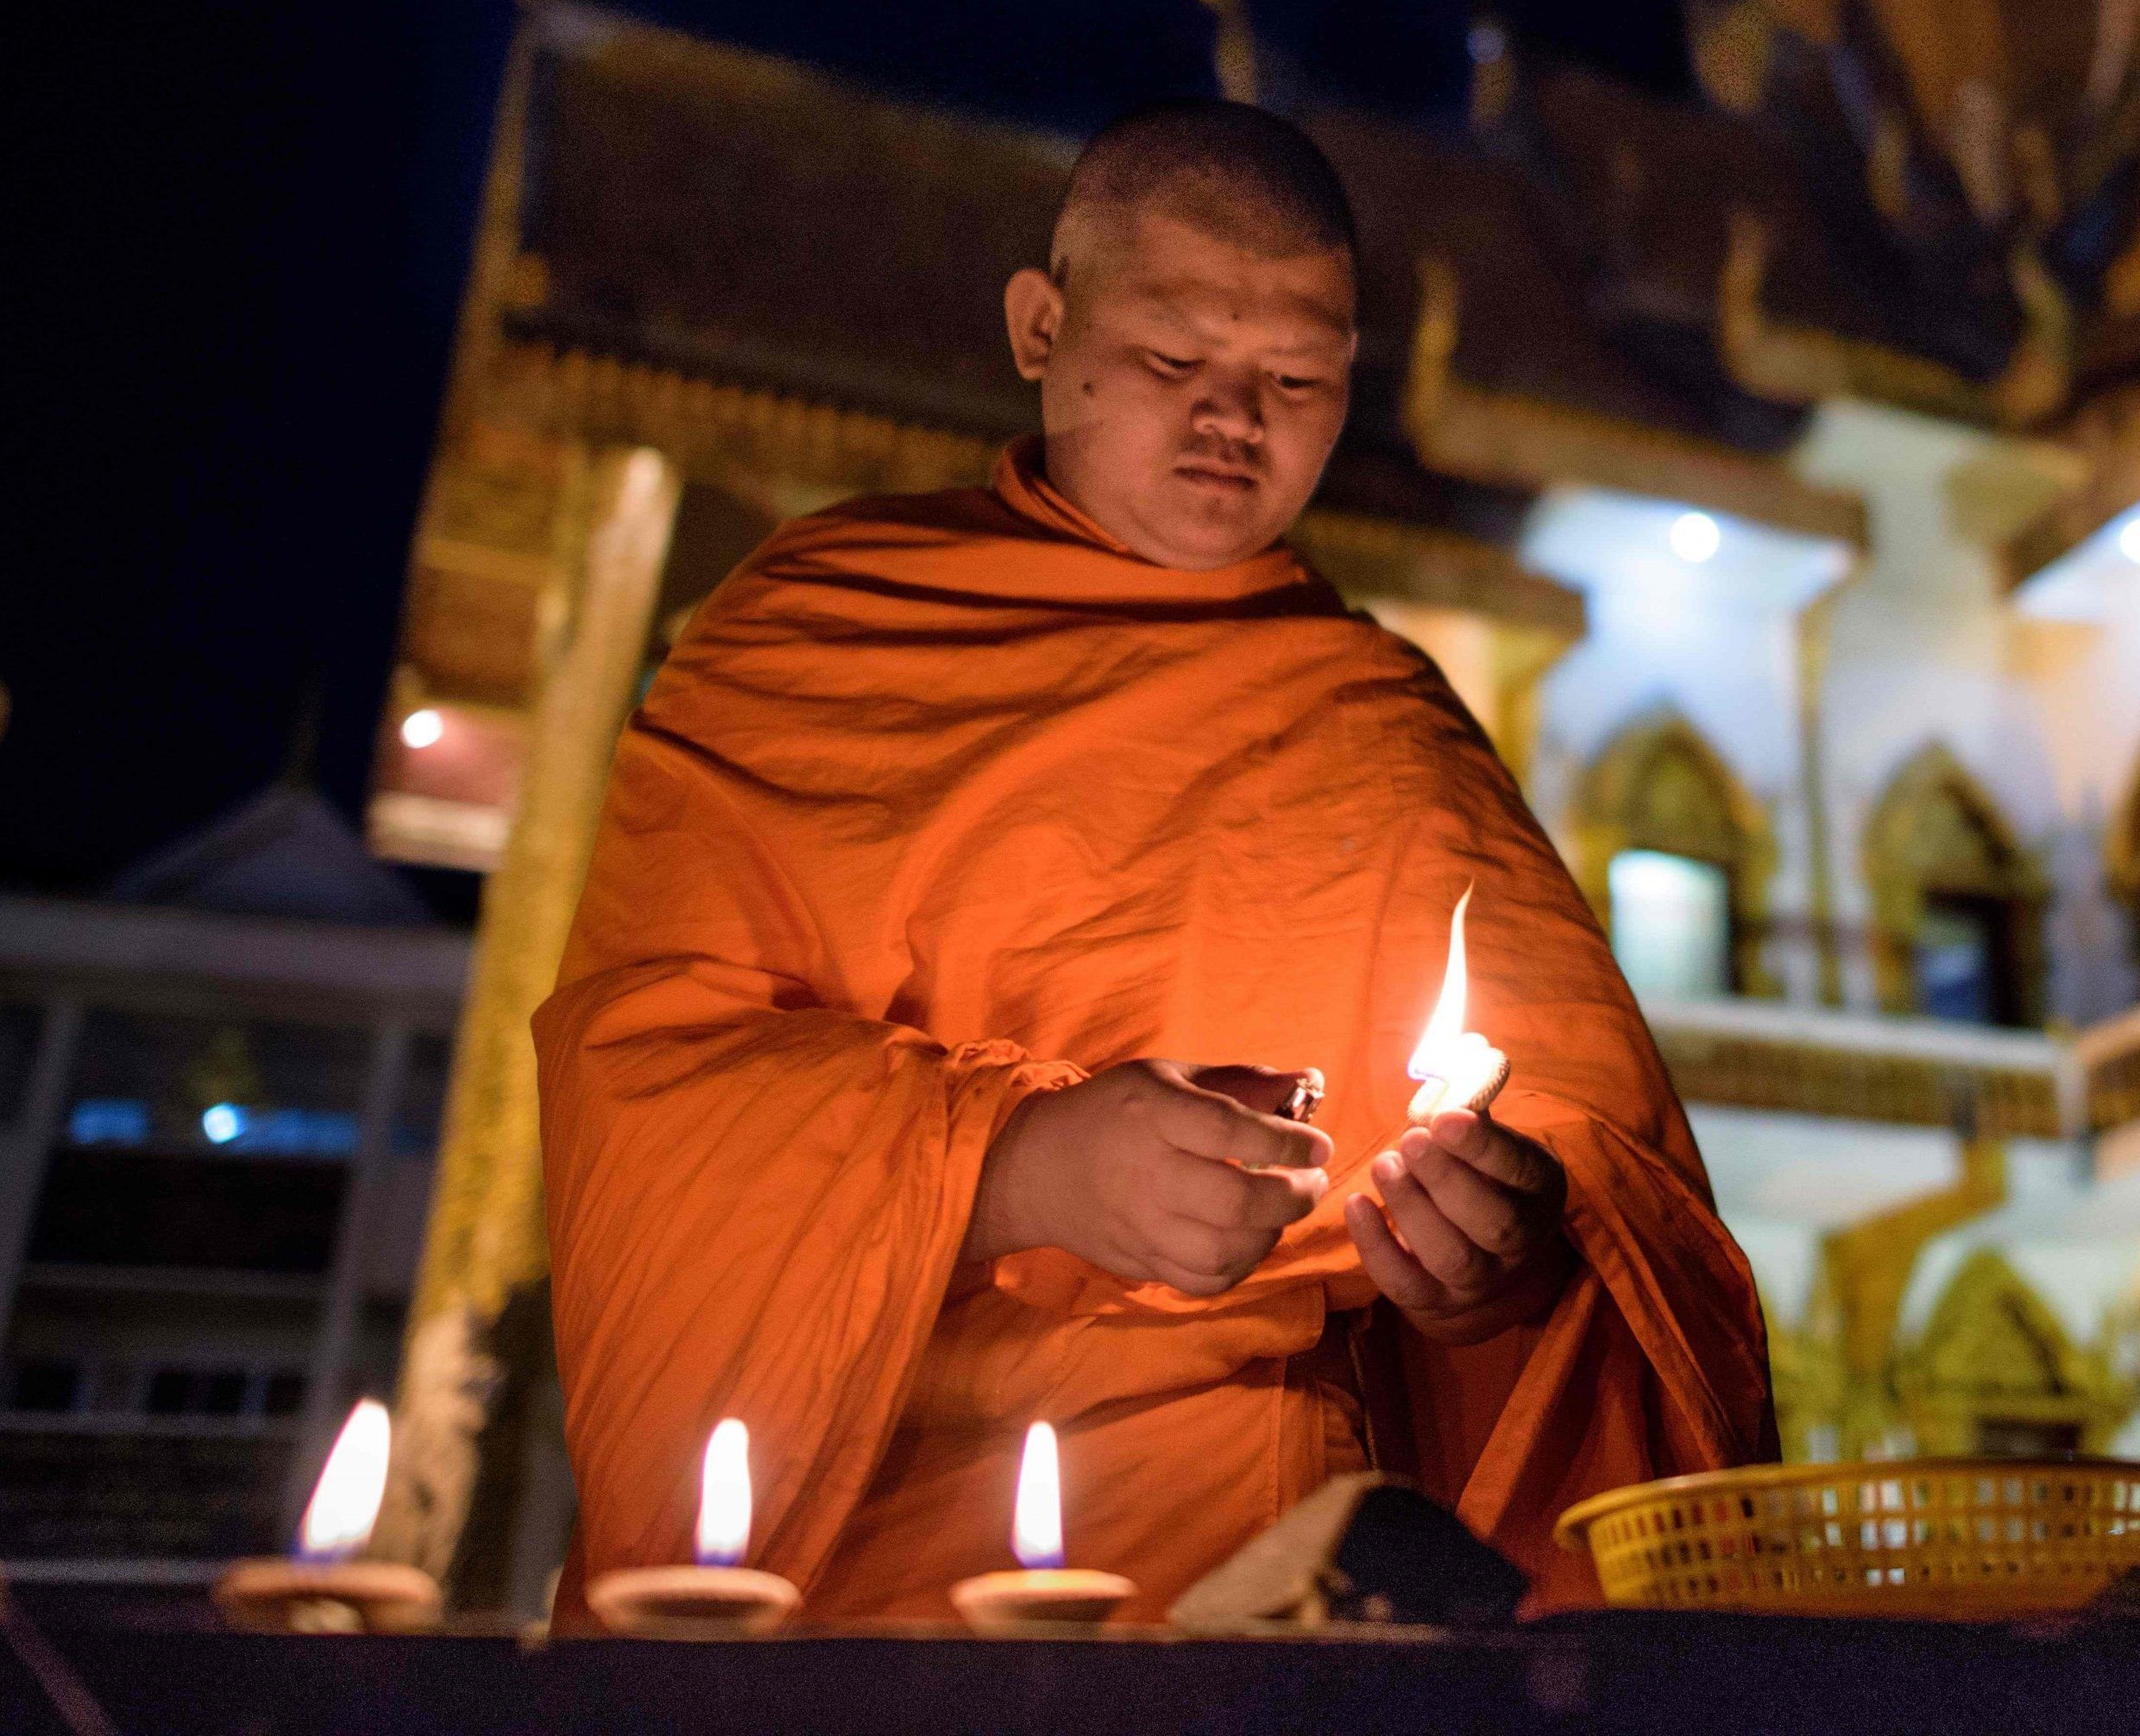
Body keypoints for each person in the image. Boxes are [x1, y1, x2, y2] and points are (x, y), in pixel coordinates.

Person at [536, 101, 1772, 1625]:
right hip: (848, 1545)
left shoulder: (1374, 719)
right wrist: (1012, 1164)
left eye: (1297, 381)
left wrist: (1494, 1264)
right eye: (1177, 361)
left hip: (1247, 1560)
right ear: (1040, 327)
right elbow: (645, 1082)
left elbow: (1611, 1177)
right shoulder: (813, 633)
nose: (1232, 422)